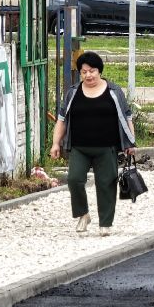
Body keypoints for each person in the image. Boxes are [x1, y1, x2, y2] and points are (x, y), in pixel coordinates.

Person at [49, 51, 135, 237]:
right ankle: (83, 214)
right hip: (80, 147)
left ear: (100, 71)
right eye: (84, 72)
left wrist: (130, 142)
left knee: (106, 184)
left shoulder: (114, 91)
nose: (88, 75)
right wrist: (56, 143)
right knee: (74, 179)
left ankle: (105, 223)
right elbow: (62, 120)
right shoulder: (73, 92)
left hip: (107, 147)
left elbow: (127, 117)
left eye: (92, 71)